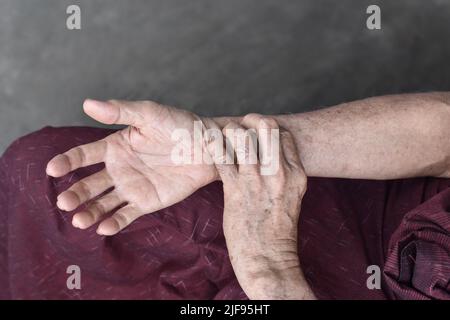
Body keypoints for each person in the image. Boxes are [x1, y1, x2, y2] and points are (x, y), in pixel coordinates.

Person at [1, 92, 449, 299]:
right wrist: (231, 147)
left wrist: (268, 266)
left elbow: (268, 267)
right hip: (388, 205)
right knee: (48, 175)